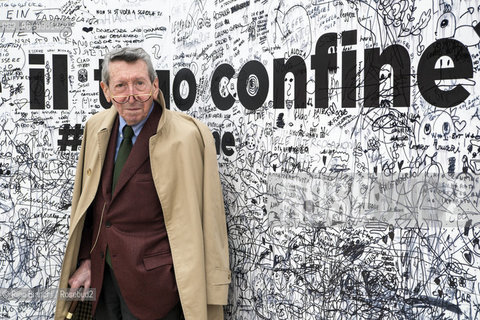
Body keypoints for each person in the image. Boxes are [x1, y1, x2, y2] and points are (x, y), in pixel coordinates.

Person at [54, 47, 231, 320]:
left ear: (155, 84)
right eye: (120, 86)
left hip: (159, 291)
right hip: (102, 283)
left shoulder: (188, 136)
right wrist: (87, 261)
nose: (132, 96)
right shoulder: (95, 127)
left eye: (139, 83)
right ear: (106, 91)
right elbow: (93, 206)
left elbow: (211, 219)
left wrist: (214, 286)